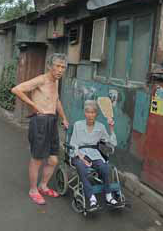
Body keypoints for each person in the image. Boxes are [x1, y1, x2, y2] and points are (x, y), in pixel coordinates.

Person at [11, 53, 69, 205]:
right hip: (40, 122)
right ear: (50, 66)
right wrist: (35, 106)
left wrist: (64, 118)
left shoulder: (56, 82)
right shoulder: (41, 80)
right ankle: (33, 190)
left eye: (63, 67)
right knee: (37, 159)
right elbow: (17, 89)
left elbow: (56, 100)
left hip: (52, 121)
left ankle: (43, 186)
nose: (60, 70)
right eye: (57, 66)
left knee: (53, 159)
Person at [70, 100, 118, 209]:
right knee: (82, 168)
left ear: (96, 114)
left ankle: (108, 196)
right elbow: (73, 143)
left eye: (93, 112)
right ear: (84, 113)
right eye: (88, 112)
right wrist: (80, 156)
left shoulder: (100, 127)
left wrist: (111, 128)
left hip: (94, 154)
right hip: (79, 154)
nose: (90, 115)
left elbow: (112, 143)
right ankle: (91, 197)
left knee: (104, 168)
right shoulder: (78, 125)